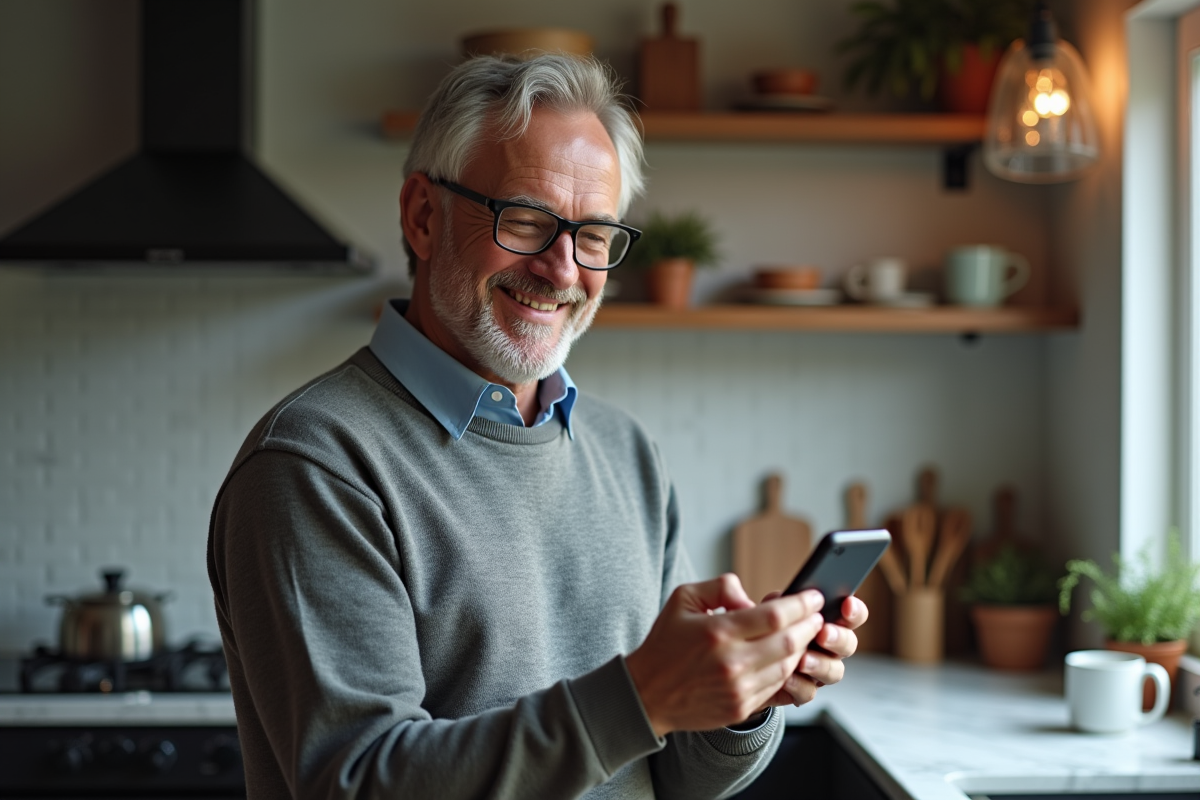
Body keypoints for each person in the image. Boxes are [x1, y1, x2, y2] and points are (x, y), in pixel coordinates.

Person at [207, 53, 867, 800]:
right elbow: (357, 784)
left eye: (593, 236)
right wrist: (641, 696)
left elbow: (674, 779)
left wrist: (741, 701)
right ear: (423, 216)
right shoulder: (314, 463)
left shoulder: (626, 455)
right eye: (525, 220)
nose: (562, 270)